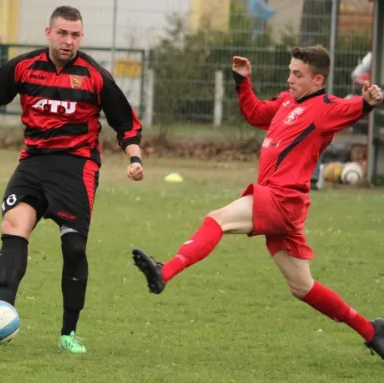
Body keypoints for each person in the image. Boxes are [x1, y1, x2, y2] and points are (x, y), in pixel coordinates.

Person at [132, 45, 384, 360]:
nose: (290, 78)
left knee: (217, 219)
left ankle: (164, 271)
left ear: (318, 79)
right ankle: (372, 331)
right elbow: (254, 113)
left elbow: (356, 106)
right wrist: (242, 81)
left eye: (298, 74)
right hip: (280, 202)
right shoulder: (286, 100)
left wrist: (369, 100)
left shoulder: (327, 107)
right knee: (302, 287)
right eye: (290, 71)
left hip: (283, 197)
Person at [0, 6, 144, 353]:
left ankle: (68, 333)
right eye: (62, 33)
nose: (68, 41)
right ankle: (1, 310)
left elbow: (126, 123)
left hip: (76, 167)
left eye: (75, 35)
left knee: (73, 246)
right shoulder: (25, 66)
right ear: (49, 33)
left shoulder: (94, 75)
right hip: (33, 163)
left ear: (81, 37)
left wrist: (134, 158)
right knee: (14, 228)